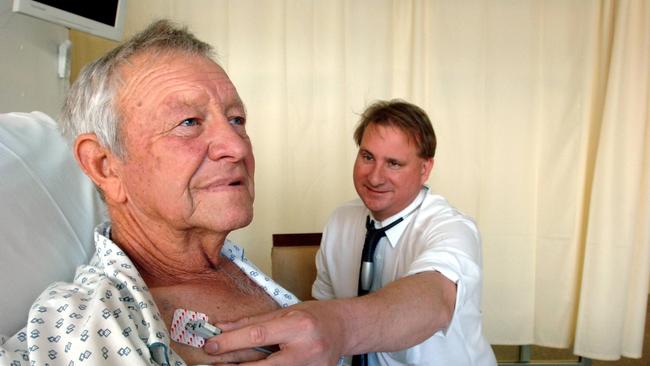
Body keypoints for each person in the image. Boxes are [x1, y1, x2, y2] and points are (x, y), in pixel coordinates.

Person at [0, 19, 298, 366]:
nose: (236, 146)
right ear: (104, 166)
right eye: (189, 123)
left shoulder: (231, 268)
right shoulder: (90, 325)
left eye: (236, 119)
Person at [204, 100, 497, 365]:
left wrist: (337, 328)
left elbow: (435, 302)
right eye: (368, 157)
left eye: (393, 163)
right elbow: (323, 305)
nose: (375, 176)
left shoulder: (453, 228)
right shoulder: (342, 220)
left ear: (425, 169)